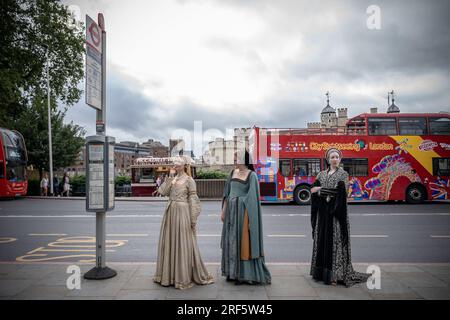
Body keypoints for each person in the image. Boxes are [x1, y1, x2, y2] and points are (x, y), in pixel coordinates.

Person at [310, 148, 371, 287]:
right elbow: (312, 190)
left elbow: (341, 193)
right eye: (332, 157)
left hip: (336, 215)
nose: (335, 159)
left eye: (337, 157)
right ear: (328, 159)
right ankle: (320, 273)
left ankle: (335, 276)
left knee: (334, 243)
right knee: (322, 241)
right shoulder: (321, 174)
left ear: (340, 159)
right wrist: (323, 192)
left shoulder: (343, 174)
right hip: (323, 215)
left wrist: (321, 191)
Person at [153, 155, 214, 289]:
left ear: (184, 166)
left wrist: (193, 219)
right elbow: (163, 191)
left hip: (183, 213)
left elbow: (194, 200)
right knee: (170, 242)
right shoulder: (172, 178)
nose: (175, 166)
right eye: (174, 164)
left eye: (178, 164)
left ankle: (182, 276)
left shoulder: (189, 180)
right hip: (170, 213)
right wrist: (170, 176)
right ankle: (170, 275)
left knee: (183, 242)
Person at [221, 148, 271, 285]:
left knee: (243, 243)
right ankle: (232, 272)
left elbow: (253, 199)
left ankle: (244, 274)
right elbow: (227, 193)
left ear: (244, 159)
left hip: (243, 213)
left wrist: (250, 218)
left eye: (237, 158)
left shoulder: (252, 175)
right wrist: (224, 210)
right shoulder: (232, 173)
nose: (234, 160)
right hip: (231, 213)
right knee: (231, 241)